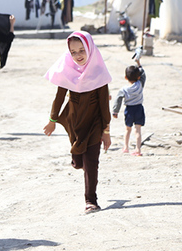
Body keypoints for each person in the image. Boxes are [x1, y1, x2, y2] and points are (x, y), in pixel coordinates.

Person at [43, 31, 113, 214]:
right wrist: (52, 120)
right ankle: (77, 158)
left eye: (82, 50)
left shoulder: (98, 72)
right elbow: (58, 98)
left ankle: (91, 200)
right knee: (79, 161)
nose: (78, 56)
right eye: (73, 52)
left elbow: (104, 104)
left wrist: (106, 131)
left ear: (89, 48)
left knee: (91, 162)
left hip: (94, 122)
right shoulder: (68, 70)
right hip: (74, 122)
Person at [112, 55, 147, 156]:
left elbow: (118, 100)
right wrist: (139, 63)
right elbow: (143, 74)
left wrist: (115, 111)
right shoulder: (140, 84)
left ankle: (126, 147)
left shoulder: (123, 90)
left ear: (126, 77)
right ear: (138, 77)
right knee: (138, 130)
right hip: (139, 109)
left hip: (129, 110)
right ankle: (138, 150)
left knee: (127, 129)